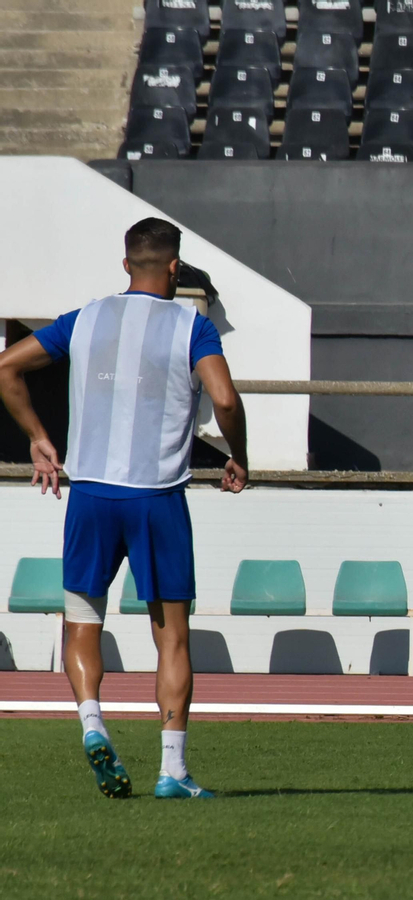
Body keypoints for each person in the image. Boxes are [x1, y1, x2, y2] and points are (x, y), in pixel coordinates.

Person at [0, 218, 249, 800]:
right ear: (175, 267)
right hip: (156, 498)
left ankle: (92, 722)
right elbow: (225, 399)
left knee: (82, 622)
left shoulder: (84, 319)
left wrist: (38, 437)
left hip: (89, 494)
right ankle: (172, 771)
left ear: (125, 265)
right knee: (172, 638)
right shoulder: (193, 326)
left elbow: (5, 366)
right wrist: (239, 456)